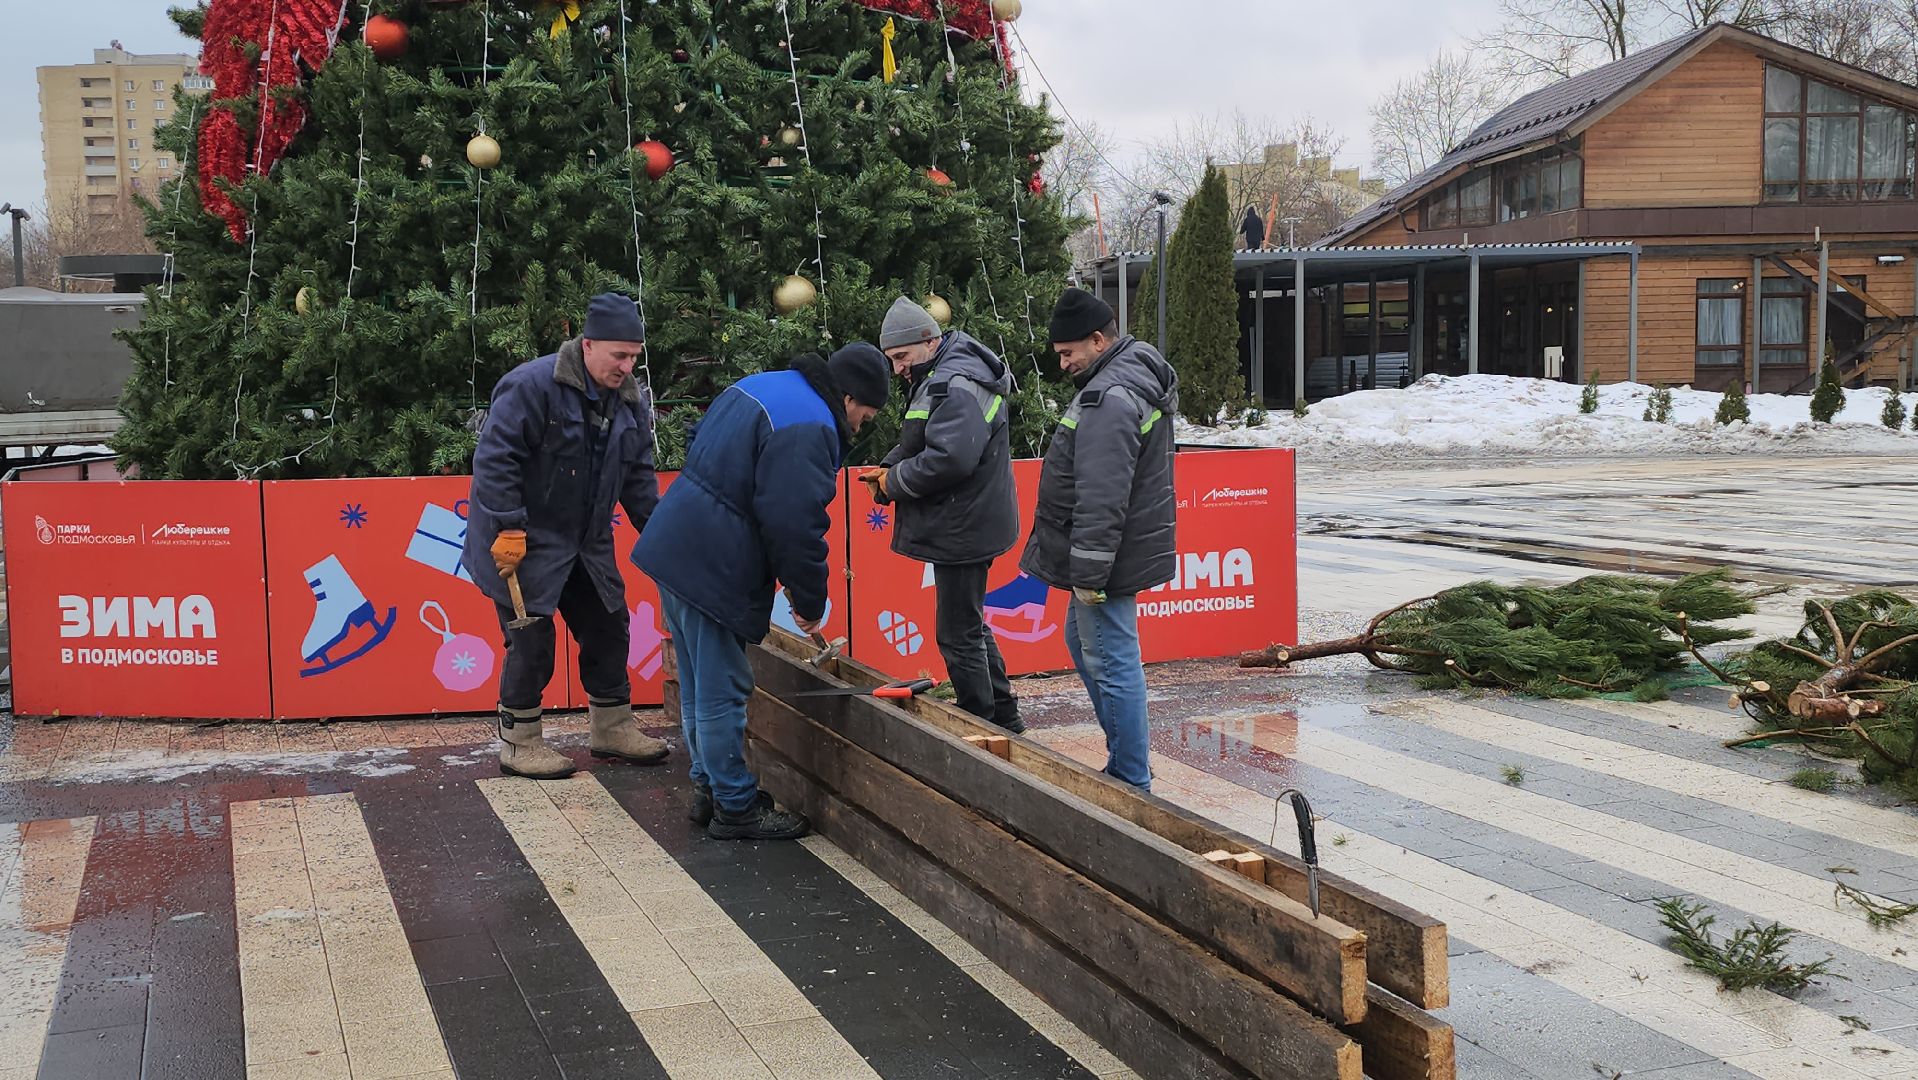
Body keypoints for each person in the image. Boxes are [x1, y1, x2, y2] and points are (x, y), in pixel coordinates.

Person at [636, 344, 891, 840]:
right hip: (713, 563)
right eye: (865, 414)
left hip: (677, 545)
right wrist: (810, 601)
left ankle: (708, 788)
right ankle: (735, 807)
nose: (860, 428)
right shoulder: (811, 425)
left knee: (697, 682)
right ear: (848, 396)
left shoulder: (765, 384)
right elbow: (795, 524)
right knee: (722, 689)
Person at [464, 293, 669, 780]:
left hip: (588, 539)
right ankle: (520, 742)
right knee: (531, 640)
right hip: (526, 539)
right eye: (619, 355)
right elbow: (495, 461)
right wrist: (509, 525)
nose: (627, 366)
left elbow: (638, 476)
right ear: (588, 343)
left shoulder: (629, 399)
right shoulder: (532, 386)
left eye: (634, 356)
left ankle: (612, 727)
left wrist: (661, 536)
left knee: (608, 624)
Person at [1021, 288, 1178, 791]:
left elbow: (1102, 493)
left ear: (1097, 339)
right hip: (1112, 551)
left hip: (1106, 559)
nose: (1063, 363)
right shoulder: (1123, 377)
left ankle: (1130, 779)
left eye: (1068, 353)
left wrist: (1087, 575)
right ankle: (1126, 763)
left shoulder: (1109, 396)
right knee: (1085, 642)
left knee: (1111, 660)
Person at [861, 297, 1023, 735]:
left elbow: (950, 459)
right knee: (968, 624)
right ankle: (1004, 719)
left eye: (901, 357)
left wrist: (893, 482)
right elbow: (921, 440)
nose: (897, 368)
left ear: (928, 342)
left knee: (957, 635)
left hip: (964, 526)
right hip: (969, 521)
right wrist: (889, 467)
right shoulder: (945, 374)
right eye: (892, 360)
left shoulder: (953, 381)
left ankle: (981, 729)